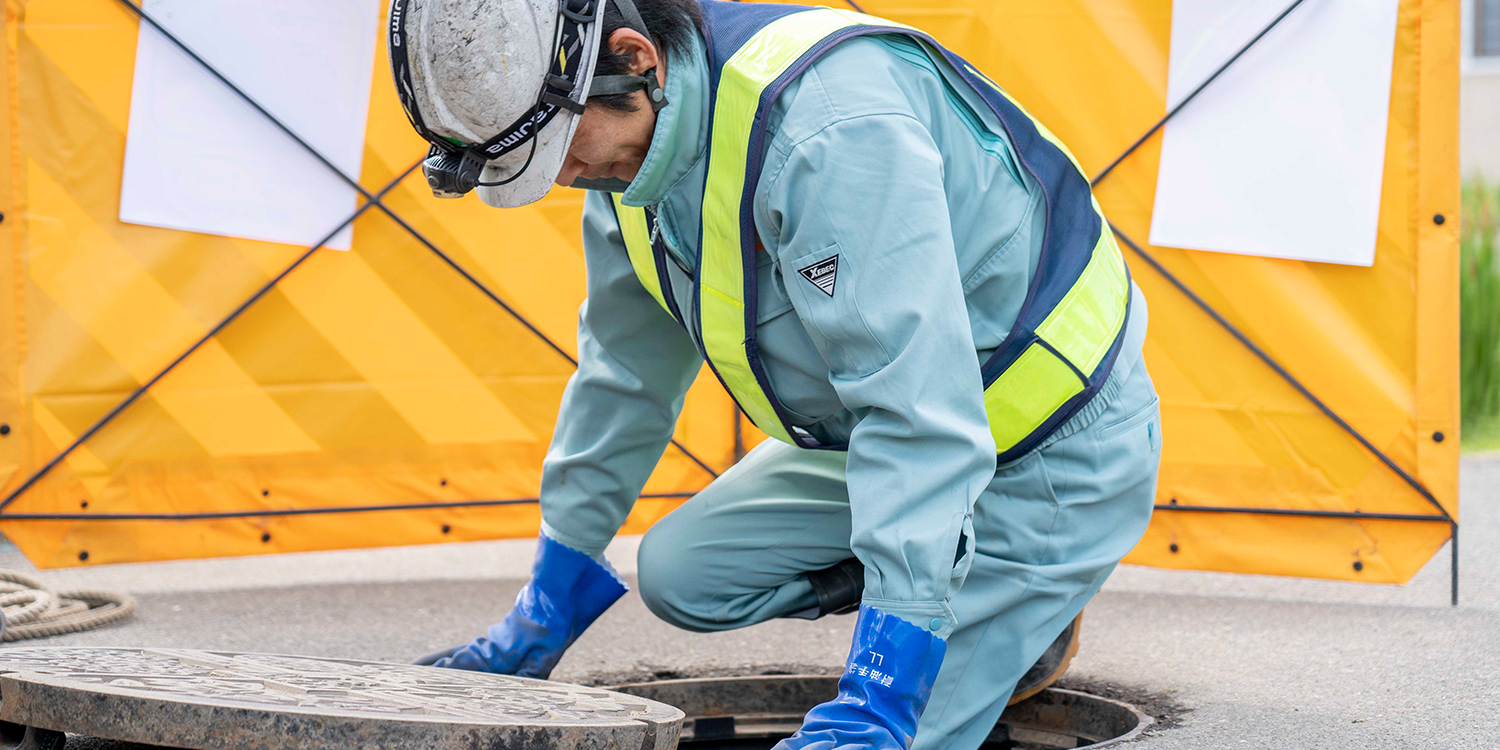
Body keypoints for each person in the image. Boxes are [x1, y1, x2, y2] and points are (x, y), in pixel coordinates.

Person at [390, 0, 1161, 748]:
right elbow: (625, 373)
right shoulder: (627, 154)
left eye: (558, 145)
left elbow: (915, 413)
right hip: (892, 444)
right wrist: (547, 600)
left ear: (636, 59)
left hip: (1054, 457)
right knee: (681, 576)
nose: (557, 175)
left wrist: (879, 695)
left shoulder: (831, 131)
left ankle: (1004, 594)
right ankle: (939, 567)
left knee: (896, 738)